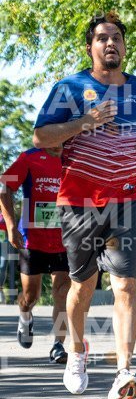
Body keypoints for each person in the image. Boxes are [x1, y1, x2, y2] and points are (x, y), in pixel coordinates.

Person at [32, 13, 136, 399]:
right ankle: (76, 351)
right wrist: (84, 123)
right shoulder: (69, 88)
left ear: (124, 46)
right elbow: (41, 136)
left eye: (116, 37)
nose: (110, 43)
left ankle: (124, 371)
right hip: (80, 201)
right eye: (102, 38)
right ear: (90, 47)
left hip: (128, 198)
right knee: (82, 286)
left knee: (126, 285)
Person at [0, 144, 71, 362]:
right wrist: (11, 226)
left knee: (62, 292)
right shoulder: (29, 157)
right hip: (32, 239)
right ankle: (25, 316)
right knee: (30, 296)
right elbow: (5, 187)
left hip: (65, 239)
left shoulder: (74, 156)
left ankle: (58, 345)